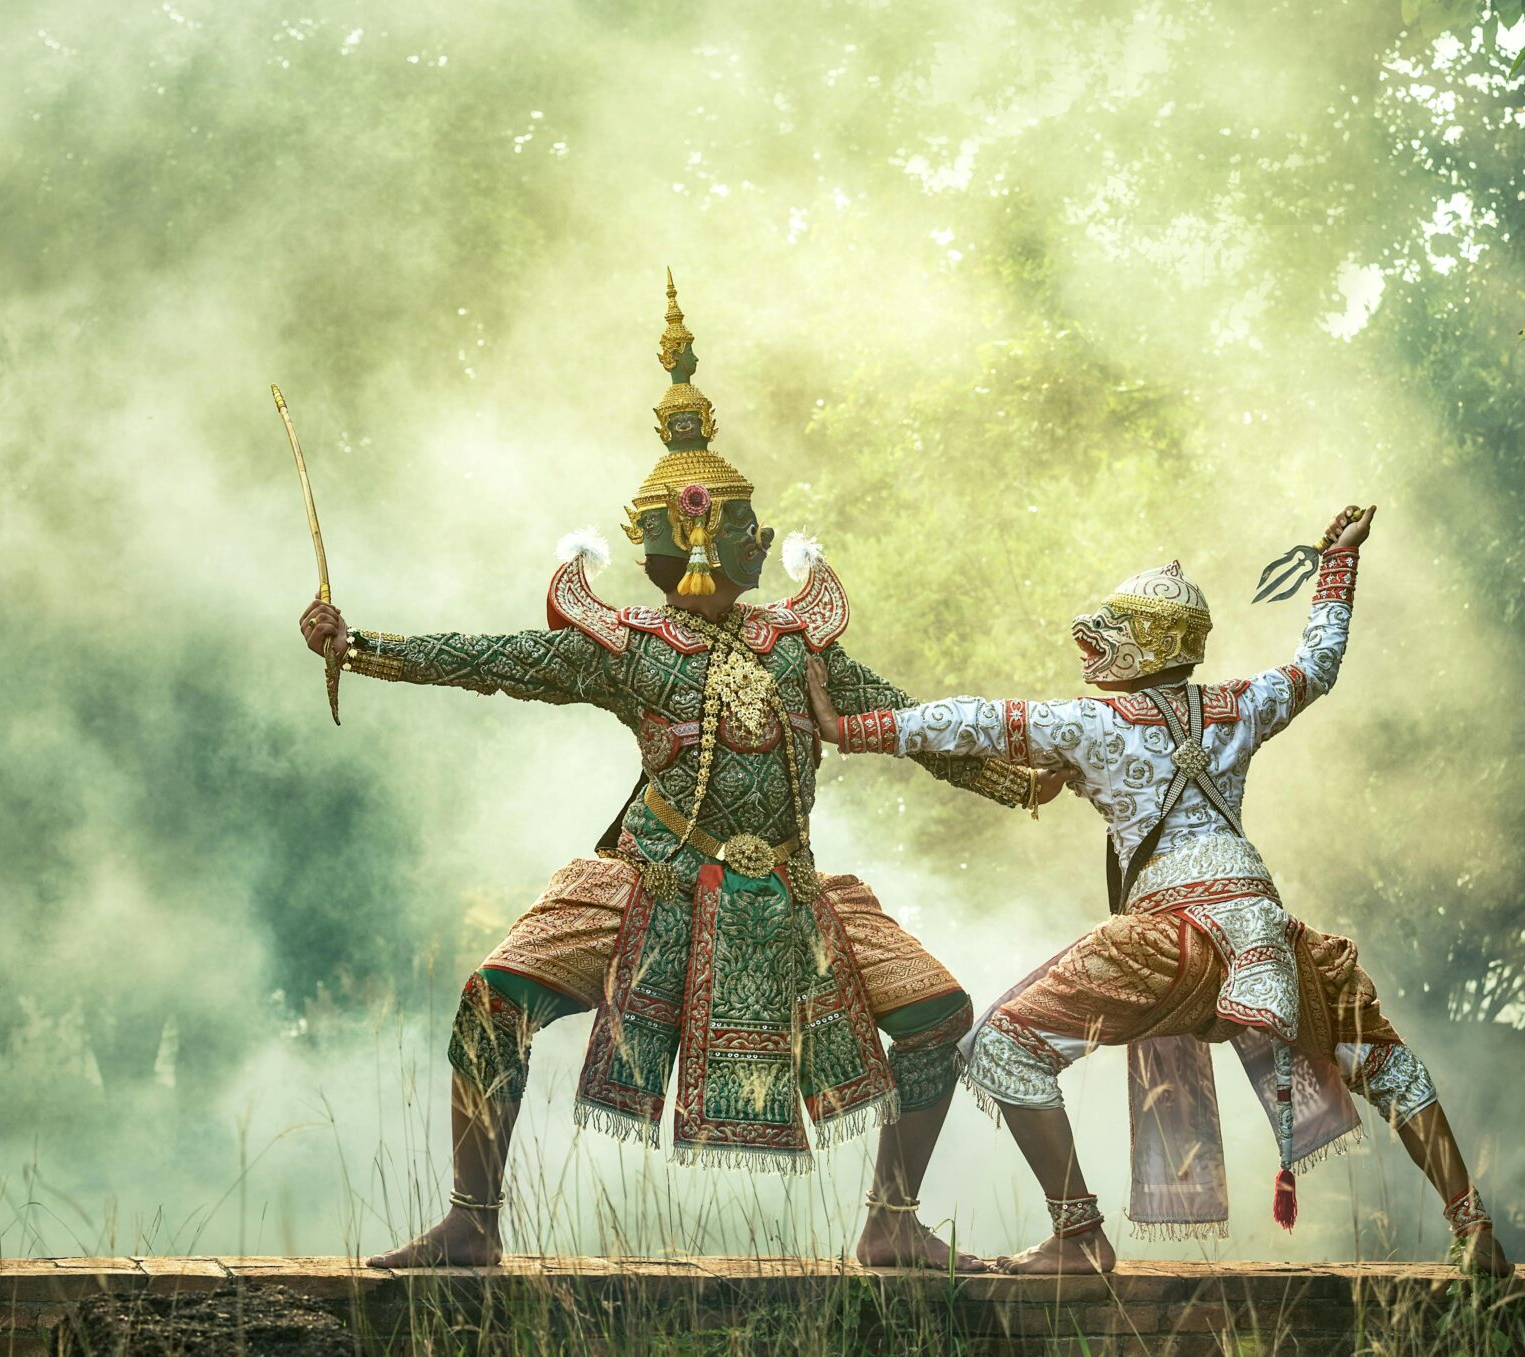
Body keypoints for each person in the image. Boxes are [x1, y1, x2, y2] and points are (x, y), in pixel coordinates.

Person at [300, 277, 1053, 1270]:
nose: (720, 548)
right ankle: (471, 1222)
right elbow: (495, 659)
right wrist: (362, 646)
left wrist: (1017, 777)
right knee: (493, 998)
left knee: (938, 1013)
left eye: (734, 532)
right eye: (700, 535)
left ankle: (891, 1221)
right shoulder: (628, 647)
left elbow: (906, 723)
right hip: (650, 880)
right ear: (661, 548)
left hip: (787, 890)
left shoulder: (800, 645)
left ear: (749, 543)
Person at [804, 505, 1513, 1277]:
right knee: (1378, 1056)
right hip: (1266, 937)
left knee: (1002, 1046)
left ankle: (1079, 1233)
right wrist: (1338, 562)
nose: (1093, 640)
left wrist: (848, 729)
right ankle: (1473, 1224)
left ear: (1144, 641)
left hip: (1170, 942)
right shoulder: (1240, 704)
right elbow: (1317, 664)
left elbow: (973, 720)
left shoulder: (1095, 723)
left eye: (1112, 628)